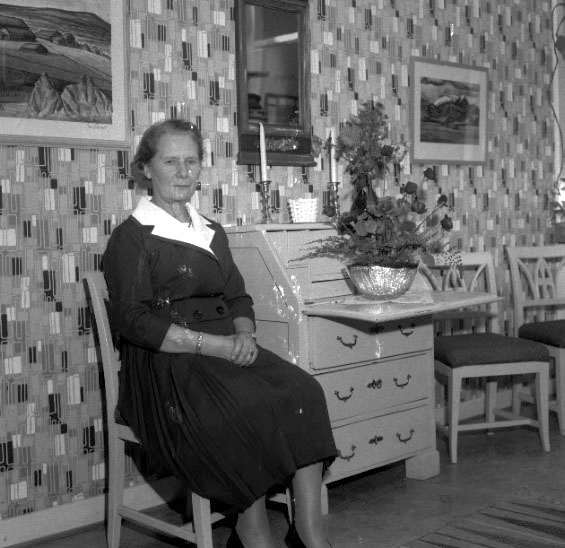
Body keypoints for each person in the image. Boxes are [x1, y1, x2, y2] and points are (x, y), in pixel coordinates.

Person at [102, 119, 337, 548]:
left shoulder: (211, 231)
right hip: (164, 365)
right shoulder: (131, 237)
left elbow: (238, 297)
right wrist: (216, 346)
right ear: (146, 169)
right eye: (170, 161)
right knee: (240, 405)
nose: (183, 172)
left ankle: (308, 531)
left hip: (226, 349)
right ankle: (252, 530)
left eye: (191, 162)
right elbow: (134, 321)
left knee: (303, 390)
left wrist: (244, 335)